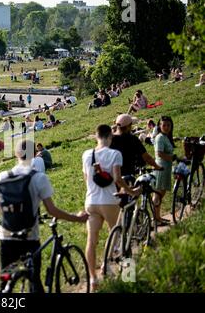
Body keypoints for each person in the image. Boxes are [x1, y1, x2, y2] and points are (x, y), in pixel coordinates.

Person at [0, 140, 88, 293]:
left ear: (16, 154)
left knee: (4, 281)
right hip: (29, 237)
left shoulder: (3, 176)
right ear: (35, 154)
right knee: (34, 280)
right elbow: (52, 211)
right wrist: (77, 218)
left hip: (6, 236)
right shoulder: (38, 178)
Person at [82, 125, 140, 291]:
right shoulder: (115, 154)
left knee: (91, 241)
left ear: (96, 136)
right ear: (110, 137)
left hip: (91, 201)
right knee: (116, 232)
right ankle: (110, 266)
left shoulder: (86, 154)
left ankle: (93, 279)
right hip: (109, 200)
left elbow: (87, 178)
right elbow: (118, 179)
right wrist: (131, 191)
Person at [152, 116, 176, 225]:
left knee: (160, 193)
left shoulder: (165, 137)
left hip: (165, 168)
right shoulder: (160, 137)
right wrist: (172, 158)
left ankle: (157, 217)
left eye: (168, 125)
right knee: (158, 194)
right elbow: (159, 154)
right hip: (160, 168)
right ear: (160, 126)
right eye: (164, 125)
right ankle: (156, 219)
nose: (166, 127)